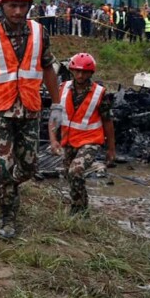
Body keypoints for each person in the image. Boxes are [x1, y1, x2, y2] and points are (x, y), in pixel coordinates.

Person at [0, 0, 61, 240]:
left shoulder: (41, 33)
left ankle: (6, 183)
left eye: (22, 6)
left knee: (30, 166)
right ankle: (7, 216)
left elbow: (48, 69)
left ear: (29, 7)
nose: (18, 12)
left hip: (30, 109)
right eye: (12, 6)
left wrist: (56, 105)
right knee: (3, 165)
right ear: (2, 7)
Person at [48, 53, 115, 216]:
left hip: (91, 140)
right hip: (68, 140)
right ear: (71, 70)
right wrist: (53, 140)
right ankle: (80, 206)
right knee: (69, 174)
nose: (80, 75)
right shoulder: (62, 89)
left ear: (91, 73)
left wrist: (111, 149)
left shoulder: (100, 93)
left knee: (75, 170)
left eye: (84, 72)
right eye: (77, 71)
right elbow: (54, 117)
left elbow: (108, 121)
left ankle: (79, 211)